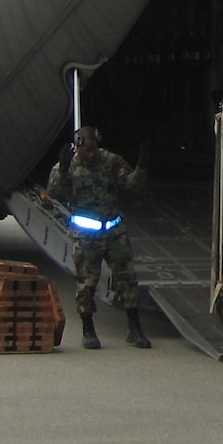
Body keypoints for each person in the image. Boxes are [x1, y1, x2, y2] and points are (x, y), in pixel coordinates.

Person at [45, 125, 150, 350]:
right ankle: (88, 330)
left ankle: (134, 328)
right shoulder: (68, 166)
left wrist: (142, 165)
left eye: (94, 149)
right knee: (87, 284)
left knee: (128, 280)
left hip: (114, 232)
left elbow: (131, 184)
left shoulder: (109, 161)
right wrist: (63, 169)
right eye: (87, 151)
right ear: (78, 147)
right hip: (86, 236)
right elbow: (51, 195)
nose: (91, 155)